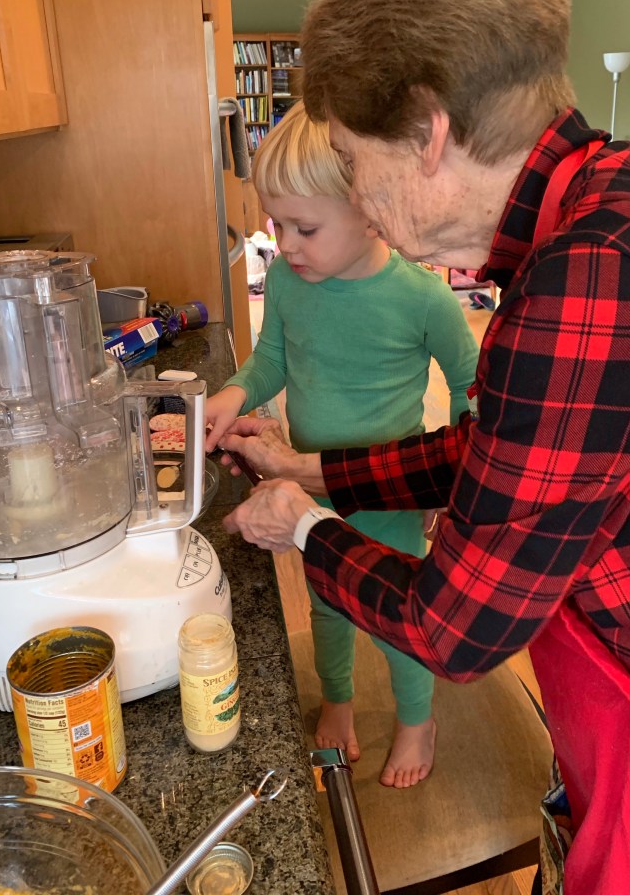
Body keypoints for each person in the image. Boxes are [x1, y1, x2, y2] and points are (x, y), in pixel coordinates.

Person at [220, 0, 630, 895]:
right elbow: (502, 455)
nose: (357, 195)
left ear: (427, 132)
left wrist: (304, 527)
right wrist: (310, 468)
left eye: (354, 161)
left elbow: (455, 630)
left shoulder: (590, 285)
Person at [205, 101, 479, 788]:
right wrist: (234, 394)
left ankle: (417, 719)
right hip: (309, 487)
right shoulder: (289, 283)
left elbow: (473, 387)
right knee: (328, 603)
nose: (286, 246)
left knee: (398, 616)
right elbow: (273, 358)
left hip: (391, 494)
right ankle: (338, 699)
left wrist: (456, 488)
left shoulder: (423, 298)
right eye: (276, 225)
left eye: (305, 228)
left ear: (371, 212)